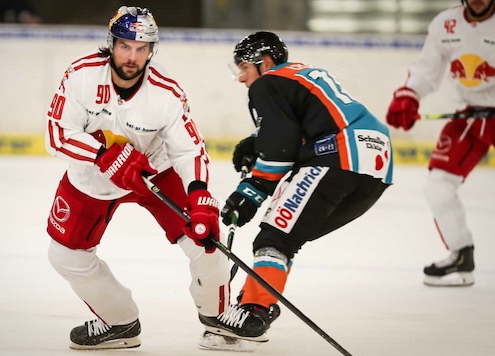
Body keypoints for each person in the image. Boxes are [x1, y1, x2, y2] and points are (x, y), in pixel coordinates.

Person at [44, 6, 233, 350]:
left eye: (142, 48)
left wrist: (200, 193)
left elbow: (189, 150)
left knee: (208, 239)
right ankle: (119, 322)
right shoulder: (81, 75)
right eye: (125, 46)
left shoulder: (166, 93)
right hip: (91, 179)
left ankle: (218, 319)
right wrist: (103, 155)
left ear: (151, 51)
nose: (133, 56)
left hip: (155, 173)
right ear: (112, 44)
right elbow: (57, 134)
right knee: (66, 257)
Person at [198, 31, 393, 347]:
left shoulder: (269, 82)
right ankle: (253, 302)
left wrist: (250, 192)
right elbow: (297, 131)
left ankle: (253, 311)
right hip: (377, 168)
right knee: (284, 237)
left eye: (245, 68)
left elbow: (281, 151)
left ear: (267, 62)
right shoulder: (299, 76)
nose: (241, 78)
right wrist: (259, 143)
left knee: (276, 238)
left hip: (340, 156)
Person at [385, 0, 495, 287]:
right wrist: (408, 95)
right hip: (468, 116)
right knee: (437, 186)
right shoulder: (444, 24)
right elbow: (426, 70)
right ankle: (461, 256)